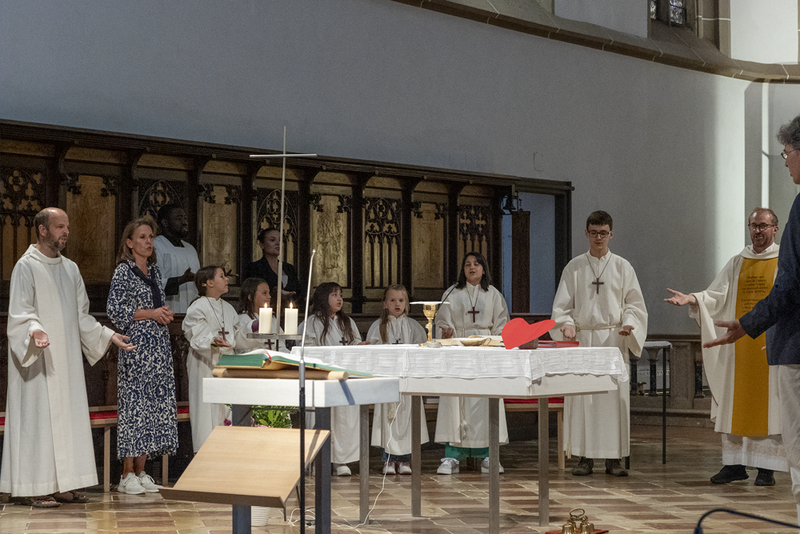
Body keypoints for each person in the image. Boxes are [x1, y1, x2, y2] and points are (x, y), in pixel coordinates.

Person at [0, 207, 135, 507]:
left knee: (66, 421)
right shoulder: (26, 266)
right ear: (42, 230)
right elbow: (20, 311)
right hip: (37, 360)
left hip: (67, 360)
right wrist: (34, 330)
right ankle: (34, 487)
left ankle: (62, 485)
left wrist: (107, 335)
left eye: (68, 227)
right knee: (38, 421)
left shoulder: (71, 269)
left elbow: (81, 316)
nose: (66, 232)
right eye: (60, 227)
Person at [705, 115, 800, 525]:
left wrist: (746, 323)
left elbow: (790, 286)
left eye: (787, 153)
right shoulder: (737, 259)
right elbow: (717, 293)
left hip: (794, 346)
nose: (785, 161)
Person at [665, 208, 785, 486]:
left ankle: (765, 469)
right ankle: (734, 465)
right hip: (738, 345)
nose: (757, 231)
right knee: (734, 401)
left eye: (763, 226)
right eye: (753, 225)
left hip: (768, 345)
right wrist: (692, 299)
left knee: (771, 406)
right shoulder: (737, 262)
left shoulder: (783, 261)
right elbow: (717, 295)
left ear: (775, 229)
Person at [550, 210, 647, 477]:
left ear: (611, 234)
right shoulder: (574, 267)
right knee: (584, 399)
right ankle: (584, 457)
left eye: (603, 233)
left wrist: (629, 323)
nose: (598, 238)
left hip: (613, 340)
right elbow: (561, 307)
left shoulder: (623, 267)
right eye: (593, 233)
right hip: (584, 340)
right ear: (586, 233)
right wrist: (566, 324)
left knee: (612, 399)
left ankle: (614, 459)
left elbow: (634, 304)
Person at [107, 218, 179, 494]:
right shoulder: (123, 271)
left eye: (151, 237)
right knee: (135, 406)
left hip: (158, 347)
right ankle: (126, 474)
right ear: (129, 242)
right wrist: (151, 313)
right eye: (142, 237)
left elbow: (156, 305)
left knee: (153, 407)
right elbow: (115, 310)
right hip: (136, 347)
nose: (148, 242)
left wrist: (164, 314)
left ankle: (141, 470)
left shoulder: (155, 271)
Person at [435, 252, 510, 475]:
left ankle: (489, 455)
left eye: (476, 264)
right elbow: (441, 321)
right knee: (455, 401)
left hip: (486, 352)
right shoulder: (452, 293)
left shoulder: (493, 294)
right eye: (467, 264)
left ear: (483, 269)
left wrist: (496, 341)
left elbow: (502, 324)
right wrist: (446, 332)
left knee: (485, 401)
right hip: (458, 349)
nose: (472, 267)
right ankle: (451, 456)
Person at [299, 282, 368, 476]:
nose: (339, 299)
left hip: (344, 378)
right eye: (334, 295)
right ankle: (317, 460)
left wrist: (359, 346)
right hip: (322, 379)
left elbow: (354, 343)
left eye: (341, 295)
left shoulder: (347, 322)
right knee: (321, 417)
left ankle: (340, 460)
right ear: (323, 297)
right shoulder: (311, 322)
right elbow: (307, 350)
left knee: (343, 420)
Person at [366, 284, 429, 475]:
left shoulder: (413, 326)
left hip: (407, 380)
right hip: (387, 380)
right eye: (392, 300)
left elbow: (422, 350)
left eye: (401, 300)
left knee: (406, 420)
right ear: (385, 304)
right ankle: (388, 459)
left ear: (407, 304)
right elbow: (372, 353)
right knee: (388, 419)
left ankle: (404, 460)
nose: (397, 304)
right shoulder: (378, 326)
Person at [183, 265, 241, 452]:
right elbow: (194, 334)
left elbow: (237, 335)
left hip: (226, 364)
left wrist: (253, 330)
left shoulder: (228, 308)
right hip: (204, 363)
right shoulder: (198, 306)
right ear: (209, 283)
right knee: (206, 411)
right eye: (222, 276)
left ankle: (227, 451)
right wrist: (211, 341)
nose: (227, 279)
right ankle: (205, 452)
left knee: (226, 407)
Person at [154, 204, 200, 314]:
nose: (184, 222)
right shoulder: (156, 246)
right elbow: (154, 284)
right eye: (179, 219)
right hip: (168, 311)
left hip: (192, 313)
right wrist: (180, 280)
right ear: (165, 223)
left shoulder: (190, 249)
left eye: (185, 218)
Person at [243, 228, 304, 308]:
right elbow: (253, 291)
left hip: (289, 310)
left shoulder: (289, 268)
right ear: (262, 245)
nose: (278, 243)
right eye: (272, 240)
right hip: (266, 309)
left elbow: (299, 291)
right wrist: (276, 292)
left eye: (280, 240)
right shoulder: (254, 268)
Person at [236, 277, 284, 352]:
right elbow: (242, 347)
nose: (269, 296)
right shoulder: (243, 319)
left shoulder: (273, 319)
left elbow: (281, 344)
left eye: (269, 293)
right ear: (250, 297)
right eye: (264, 293)